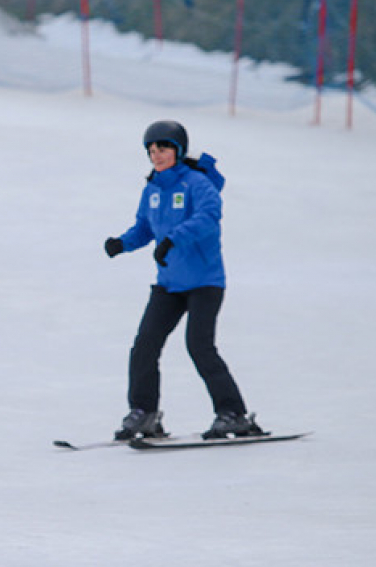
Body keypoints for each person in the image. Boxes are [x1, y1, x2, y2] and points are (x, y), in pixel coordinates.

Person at [103, 120, 264, 441]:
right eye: (150, 150)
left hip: (205, 281)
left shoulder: (196, 183)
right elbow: (144, 228)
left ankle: (233, 414)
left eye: (162, 148)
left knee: (199, 346)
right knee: (144, 346)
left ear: (177, 150)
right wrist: (122, 243)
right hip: (169, 284)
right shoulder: (152, 189)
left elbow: (208, 216)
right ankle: (144, 413)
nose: (156, 155)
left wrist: (174, 239)